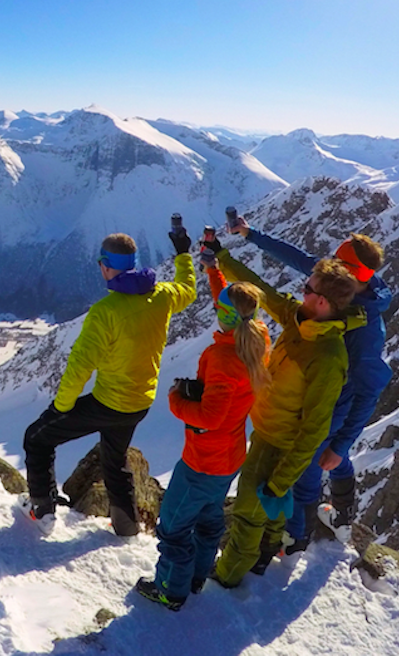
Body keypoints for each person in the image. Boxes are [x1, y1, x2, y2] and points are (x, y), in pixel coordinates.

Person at [227, 217, 392, 549]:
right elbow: (298, 258)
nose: (325, 263)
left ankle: (296, 540)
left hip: (330, 408)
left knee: (309, 474)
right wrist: (251, 235)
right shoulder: (340, 290)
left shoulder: (365, 329)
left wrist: (341, 441)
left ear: (350, 272)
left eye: (336, 260)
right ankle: (343, 511)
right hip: (318, 397)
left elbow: (370, 388)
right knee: (330, 459)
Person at [207, 243, 365, 587]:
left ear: (321, 302)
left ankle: (226, 578)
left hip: (279, 443)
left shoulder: (327, 356)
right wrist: (224, 260)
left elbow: (315, 427)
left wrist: (281, 480)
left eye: (307, 288)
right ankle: (265, 554)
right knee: (267, 510)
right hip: (265, 427)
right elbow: (263, 291)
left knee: (249, 511)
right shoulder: (299, 318)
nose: (301, 290)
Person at [21, 226, 196, 536]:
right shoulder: (162, 296)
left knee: (37, 438)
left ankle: (42, 510)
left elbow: (80, 366)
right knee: (114, 461)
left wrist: (61, 406)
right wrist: (183, 254)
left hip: (109, 402)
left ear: (106, 266)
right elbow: (188, 289)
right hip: (140, 402)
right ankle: (126, 528)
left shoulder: (105, 312)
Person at [135, 239, 271, 611]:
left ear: (227, 316)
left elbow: (209, 418)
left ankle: (170, 590)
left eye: (220, 308)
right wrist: (213, 270)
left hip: (202, 459)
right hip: (228, 459)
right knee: (209, 520)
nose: (216, 308)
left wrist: (177, 400)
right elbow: (229, 303)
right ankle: (196, 576)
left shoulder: (224, 359)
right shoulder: (257, 338)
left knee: (174, 526)